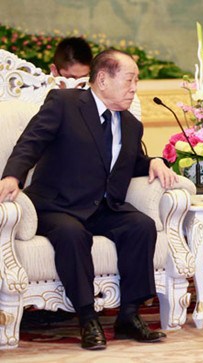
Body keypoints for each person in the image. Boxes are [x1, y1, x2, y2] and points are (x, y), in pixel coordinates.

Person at [0, 49, 178, 350]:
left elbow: (129, 161)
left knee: (141, 225)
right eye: (129, 79)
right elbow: (31, 141)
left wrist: (154, 162)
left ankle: (129, 315)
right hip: (56, 205)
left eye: (137, 80)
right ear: (103, 79)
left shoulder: (131, 124)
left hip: (102, 206)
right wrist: (12, 176)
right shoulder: (65, 104)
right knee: (72, 234)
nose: (134, 87)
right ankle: (87, 318)